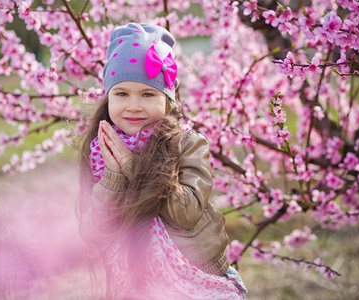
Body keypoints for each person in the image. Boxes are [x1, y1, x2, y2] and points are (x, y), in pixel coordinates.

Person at [78, 23, 247, 299]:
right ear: (108, 97)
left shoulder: (188, 144)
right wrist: (112, 174)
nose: (133, 106)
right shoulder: (101, 149)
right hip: (135, 284)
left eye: (148, 94)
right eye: (121, 94)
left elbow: (186, 213)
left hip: (195, 276)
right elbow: (94, 231)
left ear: (167, 99)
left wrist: (131, 164)